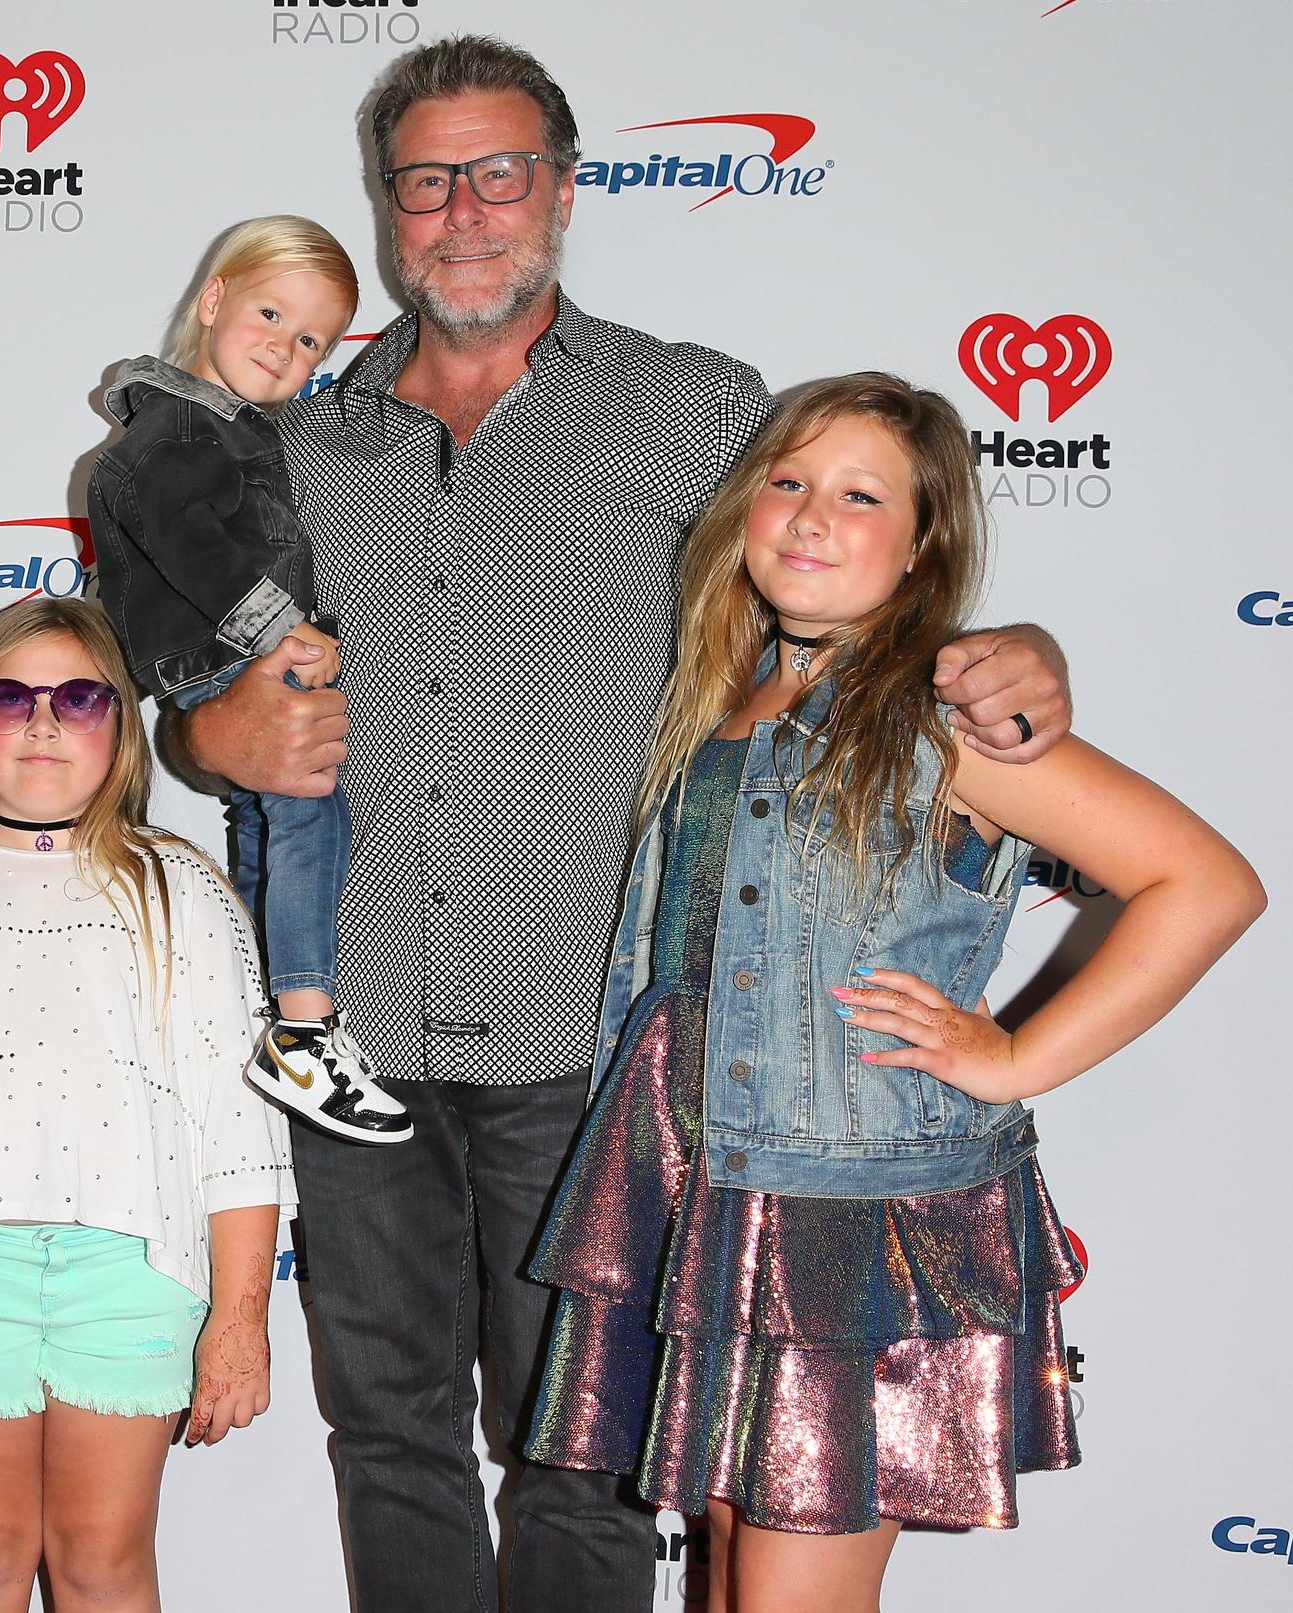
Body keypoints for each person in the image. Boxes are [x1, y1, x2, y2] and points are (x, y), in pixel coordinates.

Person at [177, 35, 1077, 1613]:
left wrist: (1015, 653)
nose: (466, 211)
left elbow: (834, 592)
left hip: (594, 1046)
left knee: (587, 1458)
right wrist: (207, 730)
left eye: (501, 171)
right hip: (354, 1034)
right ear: (386, 210)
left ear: (568, 189)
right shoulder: (299, 446)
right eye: (427, 180)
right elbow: (196, 677)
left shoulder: (694, 408)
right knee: (385, 1436)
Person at [523, 373, 1264, 1611]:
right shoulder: (719, 693)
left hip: (848, 1220)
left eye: (861, 495)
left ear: (923, 546)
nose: (812, 516)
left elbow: (1207, 883)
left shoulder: (950, 718)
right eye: (790, 481)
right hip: (697, 1181)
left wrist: (1014, 1056)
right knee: (718, 1577)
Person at [0, 598, 296, 1613]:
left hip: (131, 1275)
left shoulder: (178, 888)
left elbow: (240, 1132)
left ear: (121, 722)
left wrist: (241, 1317)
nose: (44, 724)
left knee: (104, 1559)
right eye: (12, 697)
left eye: (78, 697)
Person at [88, 214, 408, 1145]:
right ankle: (304, 1027)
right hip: (223, 648)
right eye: (270, 313)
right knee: (309, 801)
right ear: (214, 299)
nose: (286, 347)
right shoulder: (176, 428)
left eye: (313, 340)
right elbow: (189, 542)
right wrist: (285, 634)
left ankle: (279, 1005)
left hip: (232, 646)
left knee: (279, 809)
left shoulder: (228, 428)